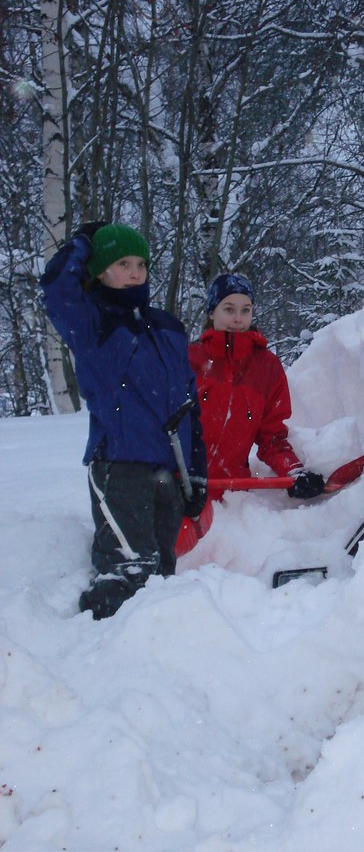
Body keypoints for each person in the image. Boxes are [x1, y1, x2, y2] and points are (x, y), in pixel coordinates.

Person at [41, 222, 207, 620]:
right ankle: (93, 648)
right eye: (122, 262)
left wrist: (197, 474)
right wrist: (82, 245)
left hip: (169, 471)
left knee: (161, 575)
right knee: (130, 571)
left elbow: (189, 405)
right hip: (121, 466)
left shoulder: (167, 328)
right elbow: (56, 291)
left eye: (141, 264)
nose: (135, 271)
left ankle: (151, 655)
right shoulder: (94, 324)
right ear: (99, 271)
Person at [189, 273, 324, 499]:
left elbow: (272, 437)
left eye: (246, 310)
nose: (238, 318)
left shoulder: (267, 367)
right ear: (212, 312)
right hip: (180, 491)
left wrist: (294, 472)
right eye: (229, 309)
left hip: (231, 498)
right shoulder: (189, 361)